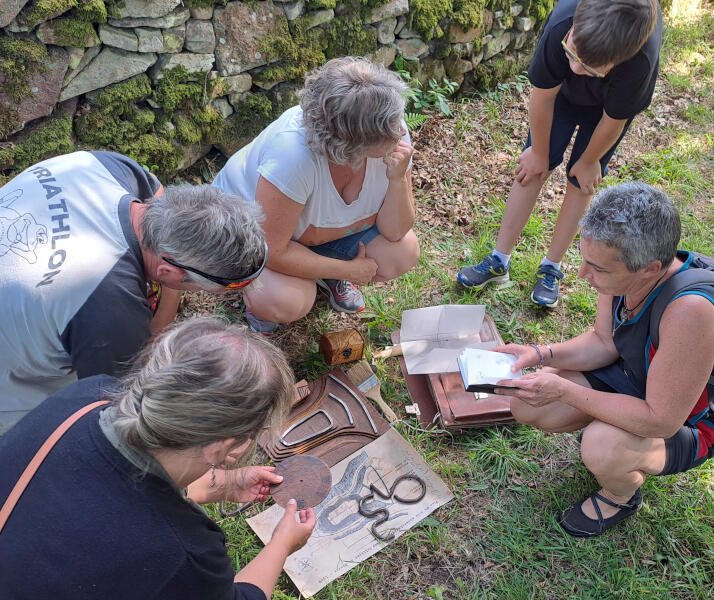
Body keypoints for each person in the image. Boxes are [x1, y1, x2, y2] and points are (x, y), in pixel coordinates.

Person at [0, 317, 316, 599]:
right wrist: (281, 545)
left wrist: (226, 484)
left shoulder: (86, 398)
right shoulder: (184, 554)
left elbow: (122, 482)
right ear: (223, 446)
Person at [494, 182, 714, 536]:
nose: (582, 275)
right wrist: (538, 353)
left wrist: (564, 390)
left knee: (602, 445)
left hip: (687, 422)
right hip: (635, 375)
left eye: (597, 269)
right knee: (528, 406)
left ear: (650, 270)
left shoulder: (691, 313)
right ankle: (618, 442)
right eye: (584, 261)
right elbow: (604, 341)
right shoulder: (623, 276)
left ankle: (620, 495)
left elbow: (661, 421)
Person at [0, 151, 267, 434]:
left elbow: (157, 190)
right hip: (12, 383)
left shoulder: (110, 168)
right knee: (75, 422)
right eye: (202, 286)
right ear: (168, 272)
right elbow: (124, 391)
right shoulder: (109, 309)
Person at [457, 0, 662, 308]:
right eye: (572, 53)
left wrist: (590, 160)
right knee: (531, 169)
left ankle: (551, 266)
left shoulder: (639, 62)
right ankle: (499, 260)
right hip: (558, 99)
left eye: (589, 67)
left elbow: (614, 119)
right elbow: (542, 97)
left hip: (605, 112)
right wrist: (538, 153)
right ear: (574, 29)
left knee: (582, 182)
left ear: (621, 59)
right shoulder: (562, 24)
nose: (575, 68)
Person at [213, 56, 419, 334]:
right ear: (351, 143)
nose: (400, 134)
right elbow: (271, 250)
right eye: (390, 132)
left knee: (403, 252)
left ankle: (325, 271)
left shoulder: (389, 127)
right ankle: (262, 311)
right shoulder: (293, 157)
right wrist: (347, 270)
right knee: (285, 300)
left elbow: (396, 232)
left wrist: (397, 181)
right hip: (256, 237)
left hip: (318, 233)